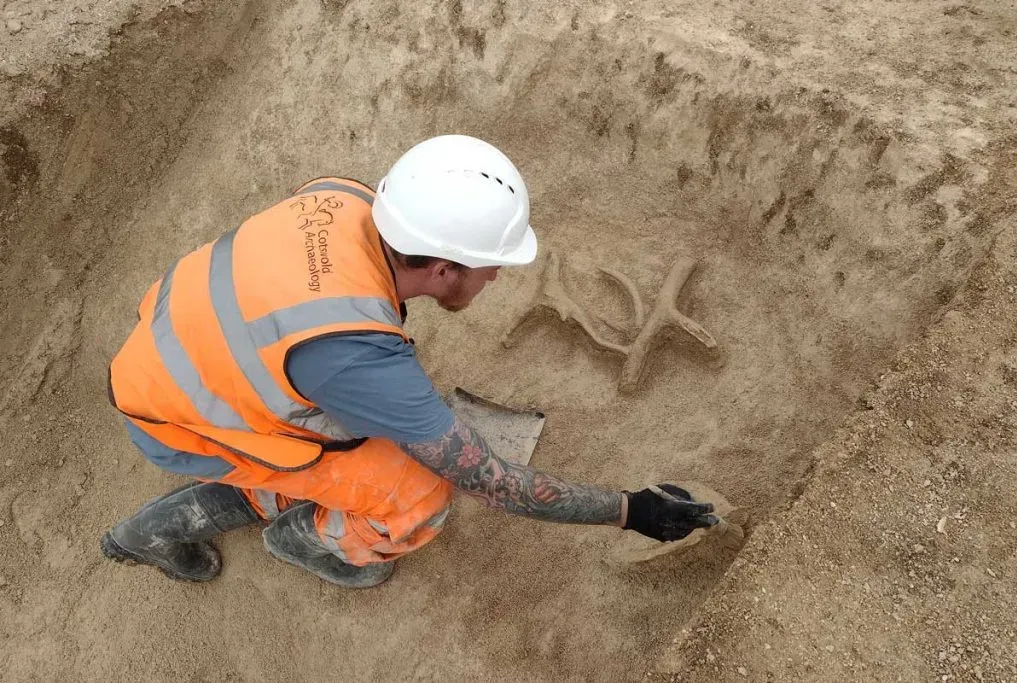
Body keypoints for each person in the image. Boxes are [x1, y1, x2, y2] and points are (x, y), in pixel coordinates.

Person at [101, 135, 717, 588]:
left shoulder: (341, 199)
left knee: (357, 446)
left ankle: (170, 524)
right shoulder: (351, 356)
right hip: (184, 417)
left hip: (177, 353)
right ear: (445, 268)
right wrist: (632, 510)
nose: (498, 277)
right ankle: (302, 540)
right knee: (419, 494)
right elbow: (496, 485)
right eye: (492, 266)